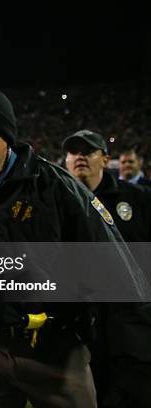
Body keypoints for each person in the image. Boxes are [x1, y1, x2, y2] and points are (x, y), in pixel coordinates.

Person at [0, 86, 137, 408]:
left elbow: (114, 268)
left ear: (7, 135)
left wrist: (127, 351)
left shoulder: (58, 189)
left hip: (55, 350)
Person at [63, 130, 151, 408]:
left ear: (105, 159)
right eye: (74, 152)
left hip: (132, 330)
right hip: (78, 331)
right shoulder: (55, 204)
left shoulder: (137, 199)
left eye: (88, 151)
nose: (80, 158)